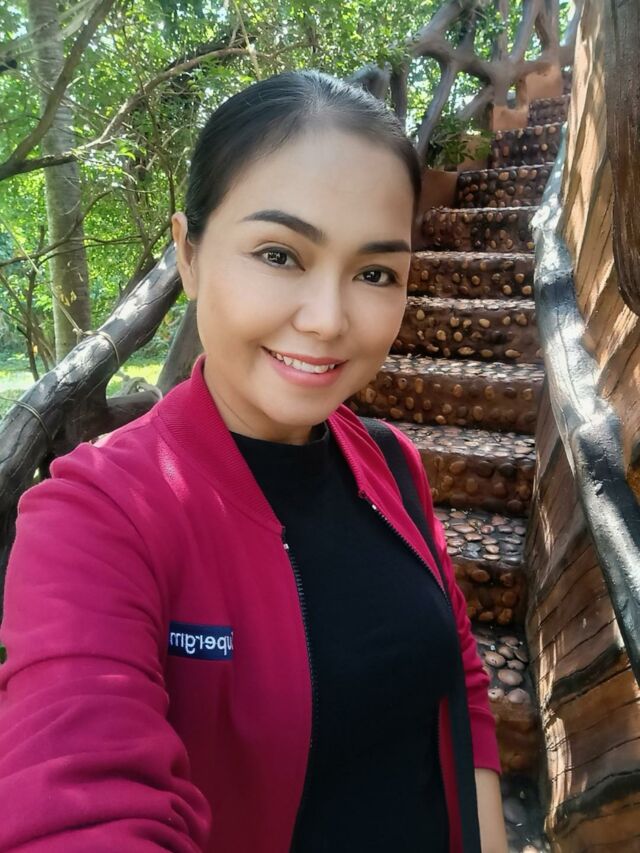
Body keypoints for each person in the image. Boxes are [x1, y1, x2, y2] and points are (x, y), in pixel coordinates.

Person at [0, 70, 507, 853]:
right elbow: (77, 799)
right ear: (189, 254)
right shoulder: (94, 518)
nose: (328, 319)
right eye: (279, 254)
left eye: (376, 273)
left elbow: (461, 687)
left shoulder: (391, 464)